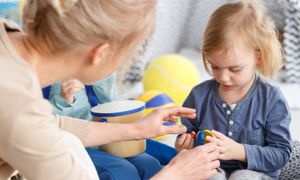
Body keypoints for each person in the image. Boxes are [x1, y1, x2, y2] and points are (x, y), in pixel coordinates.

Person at [0, 0, 220, 179]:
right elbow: (25, 122)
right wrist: (176, 174)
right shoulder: (16, 106)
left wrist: (135, 130)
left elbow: (49, 126)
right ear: (100, 54)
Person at [175, 0, 292, 180]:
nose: (223, 77)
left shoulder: (271, 99)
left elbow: (281, 155)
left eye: (234, 69)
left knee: (242, 177)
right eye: (215, 66)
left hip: (255, 173)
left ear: (258, 58)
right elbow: (185, 134)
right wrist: (184, 147)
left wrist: (240, 151)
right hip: (210, 169)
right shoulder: (198, 96)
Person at [44, 76, 163, 180]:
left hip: (104, 138)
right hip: (73, 144)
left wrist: (105, 78)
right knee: (121, 171)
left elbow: (109, 104)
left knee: (149, 164)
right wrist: (64, 100)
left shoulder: (96, 64)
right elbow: (43, 126)